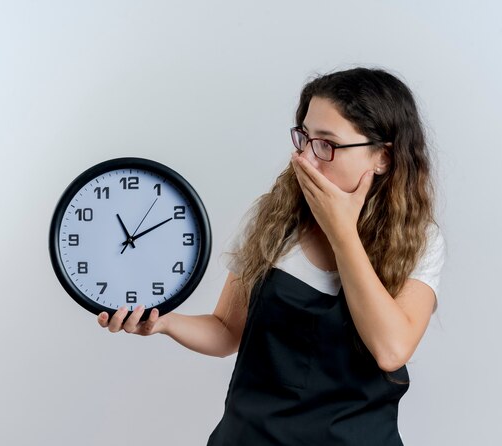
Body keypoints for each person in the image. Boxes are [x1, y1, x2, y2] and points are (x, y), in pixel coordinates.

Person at [97, 66, 446, 445]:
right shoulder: (275, 220)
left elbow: (391, 349)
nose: (307, 160)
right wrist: (162, 322)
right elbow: (227, 330)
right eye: (304, 139)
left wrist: (341, 230)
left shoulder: (419, 240)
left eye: (327, 144)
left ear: (384, 158)